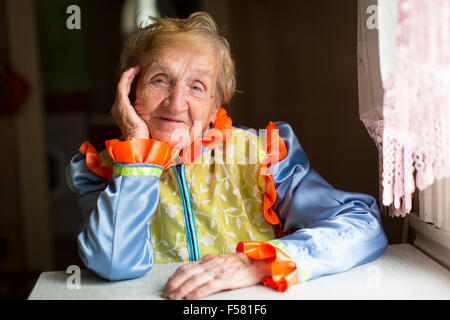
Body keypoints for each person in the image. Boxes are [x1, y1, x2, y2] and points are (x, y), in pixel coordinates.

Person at [66, 12, 388, 300]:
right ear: (131, 90)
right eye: (160, 80)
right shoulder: (103, 169)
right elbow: (113, 263)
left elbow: (362, 225)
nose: (176, 103)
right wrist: (137, 157)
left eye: (197, 87)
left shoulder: (261, 154)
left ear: (217, 101)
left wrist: (258, 262)